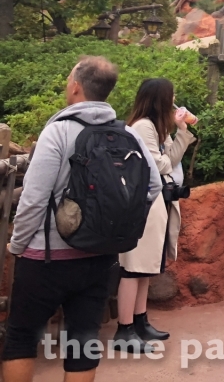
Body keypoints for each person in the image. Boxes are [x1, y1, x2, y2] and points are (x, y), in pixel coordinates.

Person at [2, 57, 162, 382]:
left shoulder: (57, 132)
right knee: (84, 341)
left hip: (46, 259)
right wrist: (118, 227)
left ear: (75, 85)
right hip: (101, 259)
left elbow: (33, 198)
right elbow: (154, 185)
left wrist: (17, 245)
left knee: (20, 337)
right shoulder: (126, 134)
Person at [116, 78, 198, 348]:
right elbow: (162, 164)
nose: (174, 101)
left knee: (146, 267)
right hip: (142, 204)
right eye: (171, 96)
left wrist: (182, 130)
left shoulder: (155, 127)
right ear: (160, 99)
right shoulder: (143, 126)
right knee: (133, 267)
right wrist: (176, 136)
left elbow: (170, 159)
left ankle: (140, 321)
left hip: (154, 203)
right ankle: (124, 329)